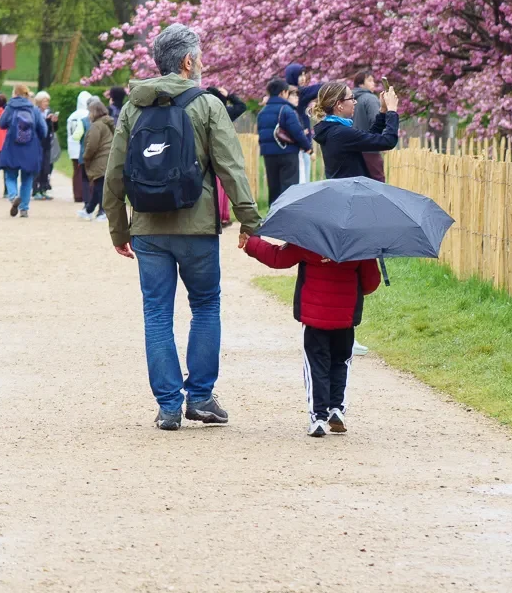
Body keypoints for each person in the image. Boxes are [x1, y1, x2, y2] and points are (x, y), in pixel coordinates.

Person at [103, 22, 261, 431]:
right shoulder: (207, 105)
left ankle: (169, 405)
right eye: (201, 56)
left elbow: (115, 173)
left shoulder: (134, 107)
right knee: (205, 306)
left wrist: (119, 230)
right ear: (188, 61)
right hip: (197, 226)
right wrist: (249, 220)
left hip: (148, 229)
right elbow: (230, 167)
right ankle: (202, 397)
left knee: (156, 313)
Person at [240, 230, 384, 436]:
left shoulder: (309, 235)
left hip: (314, 315)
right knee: (341, 362)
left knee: (316, 364)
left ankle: (318, 418)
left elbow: (278, 257)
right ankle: (337, 409)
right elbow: (371, 282)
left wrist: (252, 243)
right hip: (345, 317)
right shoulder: (360, 241)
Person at [309, 81, 402, 179]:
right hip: (350, 191)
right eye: (351, 98)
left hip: (342, 189)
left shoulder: (330, 129)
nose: (355, 102)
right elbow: (388, 141)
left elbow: (369, 137)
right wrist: (392, 111)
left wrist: (383, 111)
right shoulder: (340, 133)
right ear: (339, 104)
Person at [256, 77, 312, 207]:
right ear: (283, 93)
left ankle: (273, 216)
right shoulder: (287, 110)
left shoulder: (262, 112)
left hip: (269, 155)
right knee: (288, 188)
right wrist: (308, 147)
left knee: (274, 187)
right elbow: (297, 132)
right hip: (287, 153)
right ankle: (286, 218)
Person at [0, 87, 48, 216]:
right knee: (27, 178)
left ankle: (13, 197)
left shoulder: (10, 108)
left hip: (12, 146)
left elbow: (1, 124)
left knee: (10, 175)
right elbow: (44, 130)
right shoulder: (34, 109)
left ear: (14, 94)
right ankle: (24, 208)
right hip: (30, 148)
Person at [351, 71, 389, 182]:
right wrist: (383, 141)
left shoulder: (349, 99)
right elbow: (376, 120)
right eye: (370, 80)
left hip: (352, 147)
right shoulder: (370, 99)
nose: (374, 84)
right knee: (377, 181)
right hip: (370, 148)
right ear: (361, 84)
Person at [81, 97, 113, 220]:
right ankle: (89, 209)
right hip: (107, 158)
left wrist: (86, 156)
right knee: (99, 185)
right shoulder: (106, 122)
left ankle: (102, 211)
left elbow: (92, 145)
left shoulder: (96, 125)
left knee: (100, 186)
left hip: (100, 159)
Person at [66, 91, 97, 213]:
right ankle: (87, 195)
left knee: (76, 171)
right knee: (86, 173)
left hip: (73, 146)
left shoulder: (72, 115)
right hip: (84, 147)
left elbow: (70, 133)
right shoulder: (87, 116)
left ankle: (77, 194)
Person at [31, 90, 57, 198]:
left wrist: (55, 122)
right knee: (38, 166)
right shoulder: (35, 112)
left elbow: (54, 129)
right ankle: (35, 190)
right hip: (37, 142)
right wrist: (46, 121)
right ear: (39, 102)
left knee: (46, 167)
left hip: (47, 143)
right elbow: (36, 127)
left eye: (47, 101)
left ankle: (43, 189)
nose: (46, 104)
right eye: (44, 101)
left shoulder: (49, 111)